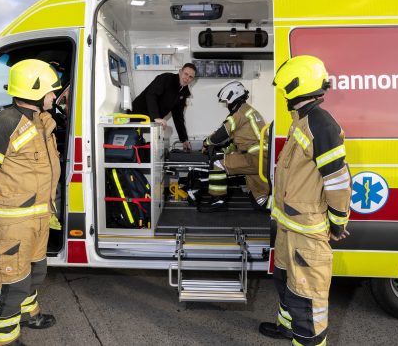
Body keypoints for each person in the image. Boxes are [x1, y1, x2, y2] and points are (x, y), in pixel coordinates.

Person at [0, 59, 62, 345]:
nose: (54, 96)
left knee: (34, 272)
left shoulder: (40, 121)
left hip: (37, 217)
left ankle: (27, 314)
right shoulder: (5, 123)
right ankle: (2, 337)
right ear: (34, 90)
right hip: (12, 222)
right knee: (10, 282)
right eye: (51, 90)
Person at [258, 55, 351, 346]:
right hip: (289, 227)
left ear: (296, 86)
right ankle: (286, 329)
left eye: (285, 87)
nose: (283, 93)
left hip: (306, 232)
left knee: (306, 300)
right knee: (286, 284)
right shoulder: (302, 121)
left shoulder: (321, 124)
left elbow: (337, 180)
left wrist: (337, 223)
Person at [198, 80, 270, 212]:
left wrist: (206, 143)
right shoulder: (248, 111)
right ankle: (279, 207)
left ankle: (217, 200)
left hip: (253, 158)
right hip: (261, 158)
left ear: (233, 97)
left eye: (227, 102)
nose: (226, 105)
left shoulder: (240, 113)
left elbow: (222, 133)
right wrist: (225, 149)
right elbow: (239, 140)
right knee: (260, 201)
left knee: (218, 163)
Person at [131, 63, 197, 150]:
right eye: (186, 74)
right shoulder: (166, 78)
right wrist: (156, 117)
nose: (187, 78)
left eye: (191, 77)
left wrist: (184, 139)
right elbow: (151, 95)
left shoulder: (183, 92)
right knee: (131, 141)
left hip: (151, 120)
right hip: (137, 114)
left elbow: (178, 116)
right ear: (180, 72)